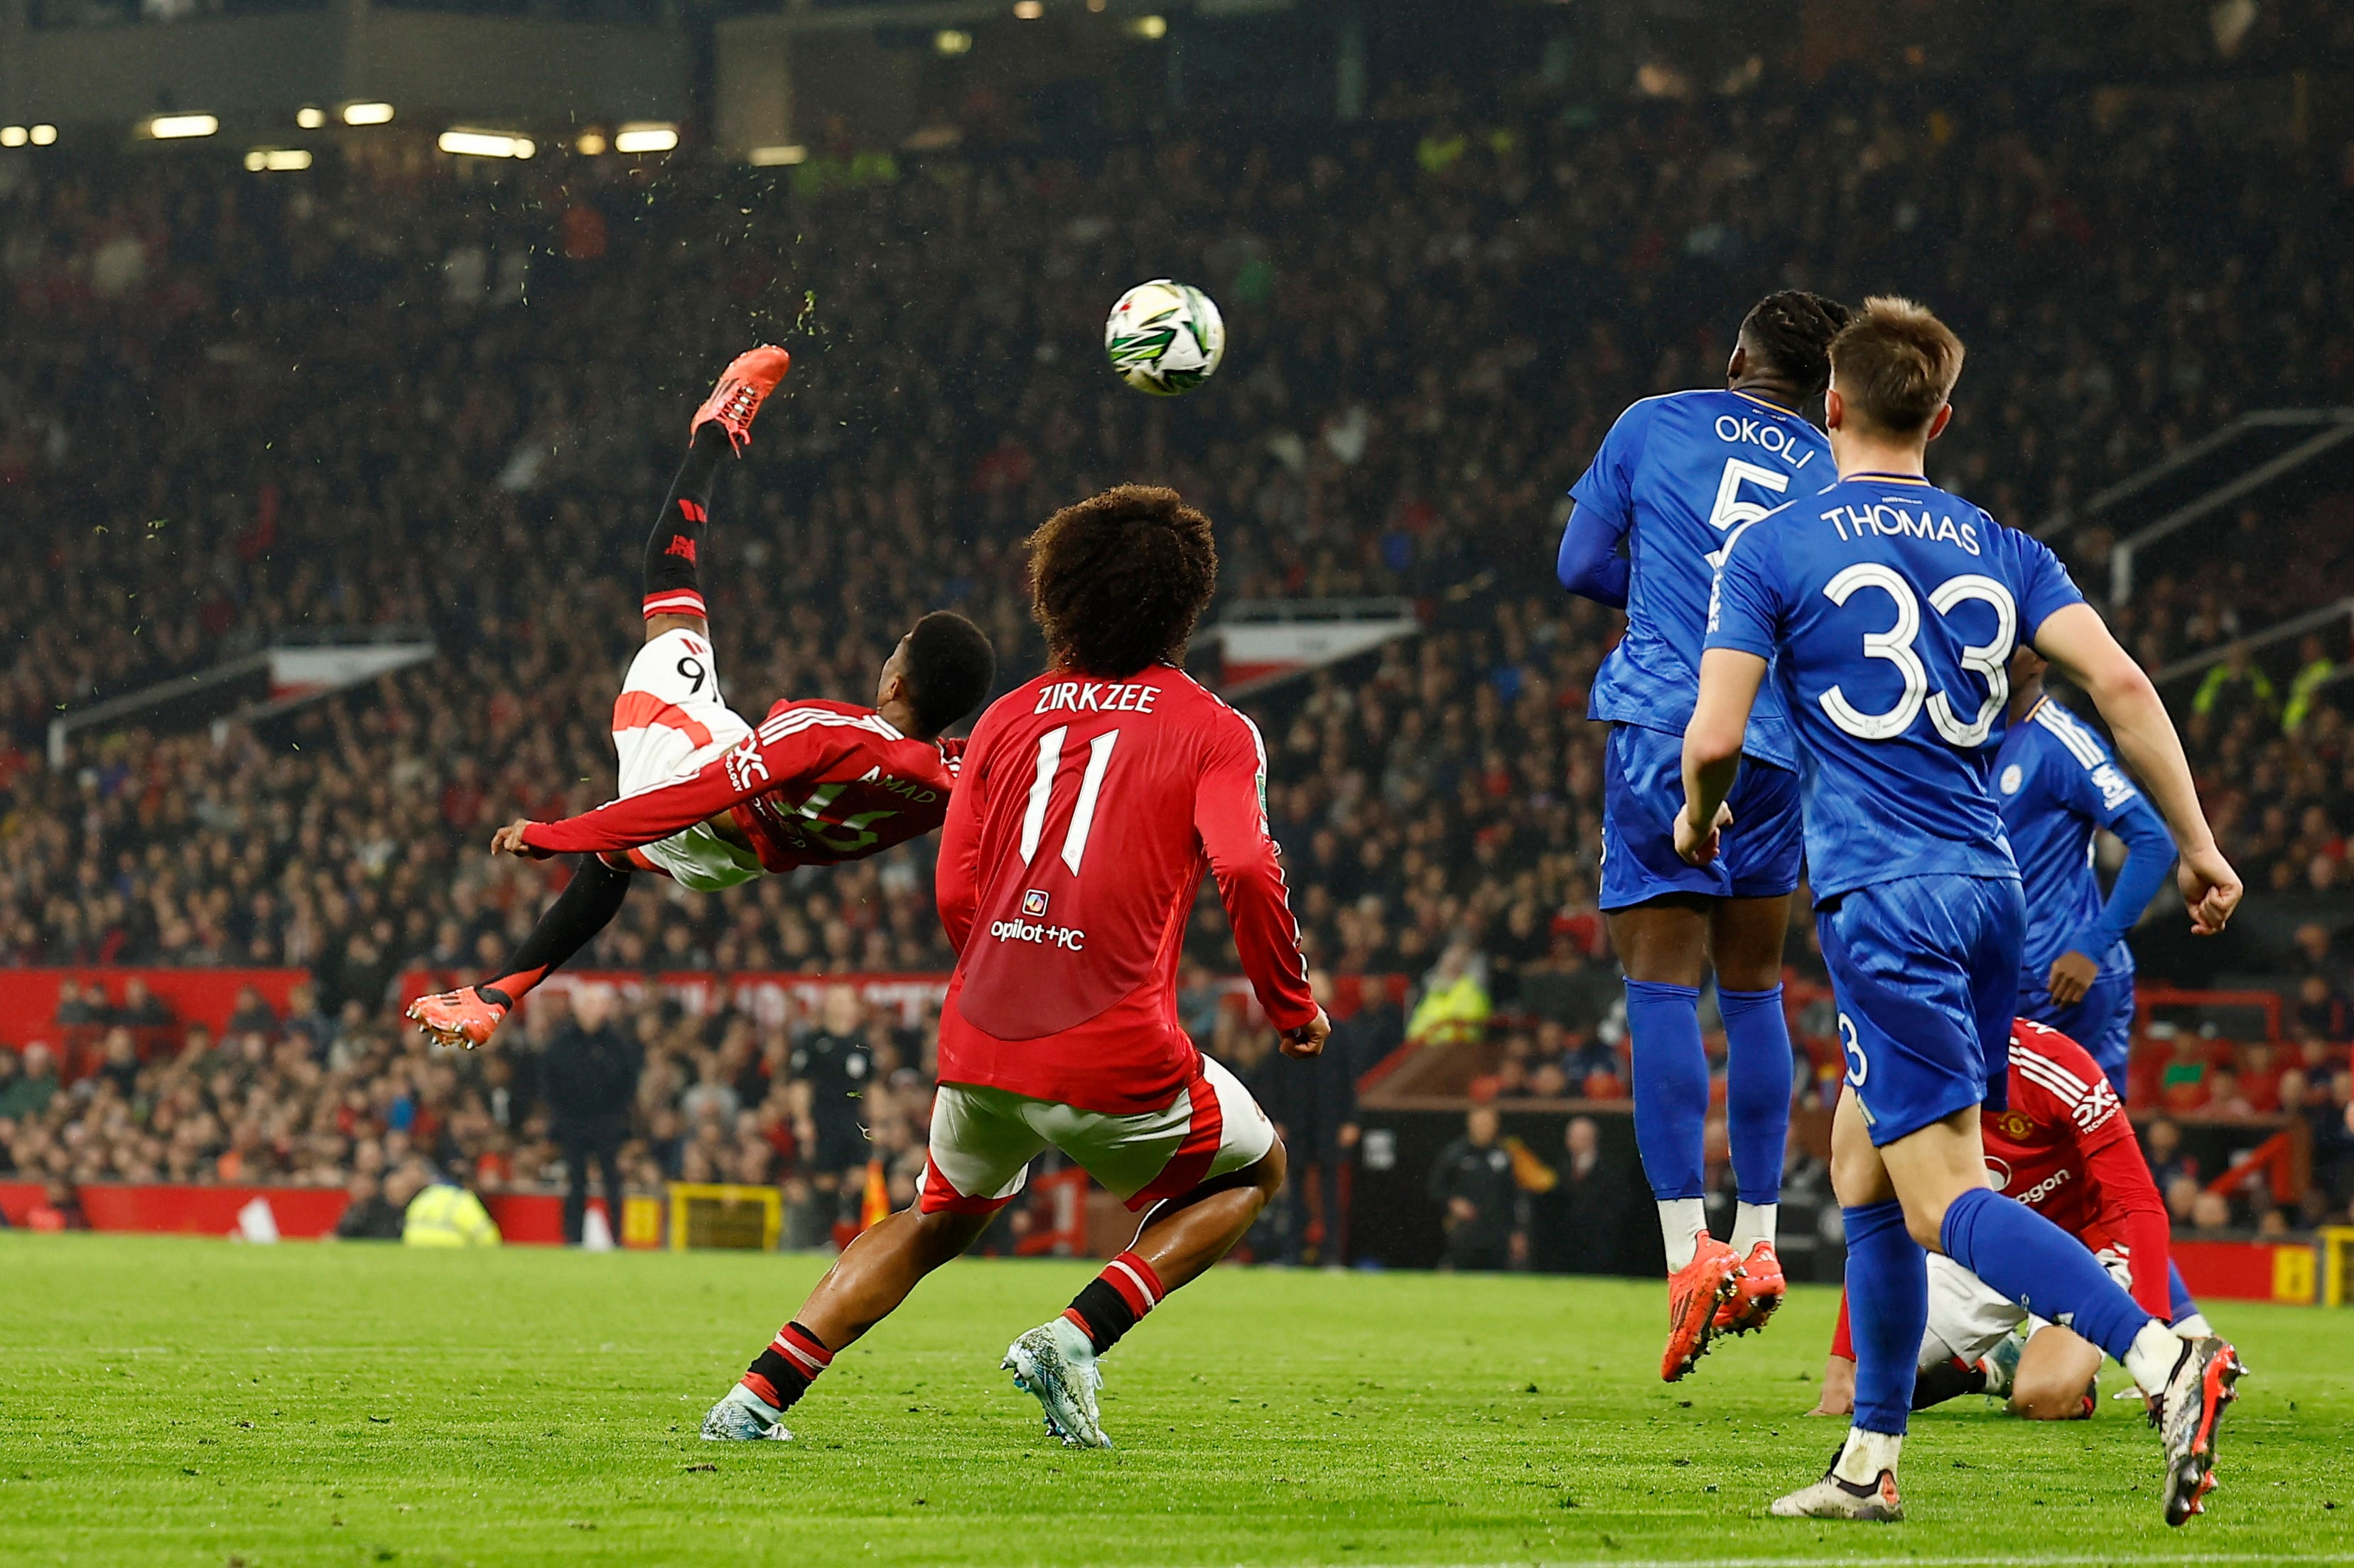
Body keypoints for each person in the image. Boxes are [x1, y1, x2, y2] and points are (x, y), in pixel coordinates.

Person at [1681, 296, 2243, 1524]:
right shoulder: (2004, 546)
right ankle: (1867, 1465)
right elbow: (2122, 681)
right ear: (1941, 416)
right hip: (1992, 899)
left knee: (1939, 1194)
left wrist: (1692, 814)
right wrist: (2196, 844)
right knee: (1862, 1164)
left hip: (1886, 899)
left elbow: (1716, 732)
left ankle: (2163, 1360)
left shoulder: (1774, 545)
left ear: (1828, 405)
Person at [698, 483, 1328, 1448]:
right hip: (1114, 1045)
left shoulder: (1000, 719)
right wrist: (1290, 1008)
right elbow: (1243, 863)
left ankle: (753, 1399)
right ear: (1183, 604)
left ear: (1057, 593)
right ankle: (1077, 1335)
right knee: (1256, 1169)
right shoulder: (1213, 728)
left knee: (934, 1215)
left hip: (982, 1027)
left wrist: (1014, 966)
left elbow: (956, 893)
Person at [406, 347, 995, 1050]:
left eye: (896, 647)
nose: (888, 651)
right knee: (616, 860)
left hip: (689, 786)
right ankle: (496, 993)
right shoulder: (952, 776)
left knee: (670, 585)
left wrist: (557, 832)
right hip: (733, 864)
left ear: (896, 682)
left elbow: (692, 795)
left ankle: (716, 431)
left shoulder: (824, 733)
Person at [1557, 291, 1854, 1379]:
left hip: (1663, 716)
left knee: (1659, 977)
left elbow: (1580, 564)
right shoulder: (1839, 465)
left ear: (1737, 355)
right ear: (1829, 383)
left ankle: (1691, 1255)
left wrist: (1672, 592)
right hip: (1777, 739)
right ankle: (1765, 1238)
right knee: (1758, 983)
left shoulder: (1652, 421)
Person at [1808, 1018, 2208, 1422]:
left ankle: (2060, 1371)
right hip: (1975, 1251)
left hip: (2083, 1249)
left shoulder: (2054, 1064)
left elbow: (2138, 1200)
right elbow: (1877, 1218)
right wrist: (1843, 1360)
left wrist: (2157, 1345)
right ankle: (1993, 1368)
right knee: (1872, 1383)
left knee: (2043, 1399)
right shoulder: (1908, 1065)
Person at [1995, 648, 2208, 1331]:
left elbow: (2150, 841)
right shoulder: (1976, 734)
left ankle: (2165, 1326)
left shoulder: (2060, 739)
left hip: (2070, 986)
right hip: (2013, 985)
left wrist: (2091, 944)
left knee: (2096, 1166)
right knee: (2031, 1163)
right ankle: (2171, 1329)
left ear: (2031, 656)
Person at [539, 983, 642, 1246]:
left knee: (612, 1180)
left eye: (598, 1005)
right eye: (589, 1004)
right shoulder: (562, 1044)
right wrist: (562, 1116)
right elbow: (550, 1083)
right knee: (576, 1180)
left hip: (606, 1122)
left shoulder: (617, 1045)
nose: (594, 1011)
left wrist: (617, 1115)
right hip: (572, 1122)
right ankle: (573, 1236)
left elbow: (628, 1082)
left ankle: (617, 1236)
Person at [1525, 1115, 1626, 1275]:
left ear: (1593, 1140)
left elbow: (1617, 1206)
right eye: (1574, 1138)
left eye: (1583, 1138)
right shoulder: (1557, 1166)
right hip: (1565, 1247)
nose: (1578, 1143)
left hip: (1598, 1246)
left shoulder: (1610, 1170)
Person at [1426, 1104, 1516, 1271]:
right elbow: (1435, 1187)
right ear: (1470, 1124)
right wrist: (1452, 1202)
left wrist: (1515, 1231)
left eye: (1487, 1123)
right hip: (1463, 1234)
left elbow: (1511, 1195)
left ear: (1495, 1126)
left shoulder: (1503, 1155)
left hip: (1495, 1235)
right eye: (1479, 1123)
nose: (1483, 1128)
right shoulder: (1454, 1154)